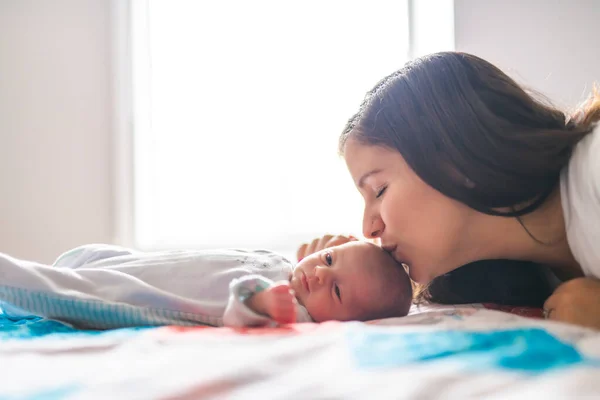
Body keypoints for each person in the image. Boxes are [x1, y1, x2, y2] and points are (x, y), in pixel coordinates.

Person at [302, 52, 600, 329]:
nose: (369, 227)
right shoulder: (525, 275)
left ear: (455, 161)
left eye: (379, 190)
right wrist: (345, 274)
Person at [0, 240, 411, 329]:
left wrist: (262, 304)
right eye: (329, 260)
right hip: (149, 266)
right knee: (99, 260)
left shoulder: (294, 311)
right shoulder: (287, 266)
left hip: (158, 297)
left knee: (90, 291)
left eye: (336, 290)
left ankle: (15, 281)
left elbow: (240, 313)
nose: (320, 273)